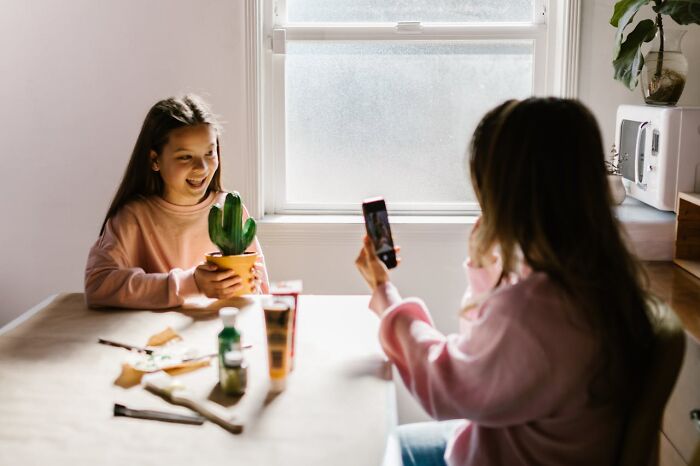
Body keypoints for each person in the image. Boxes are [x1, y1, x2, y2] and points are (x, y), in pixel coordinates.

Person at [355, 98, 654, 466]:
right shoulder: (591, 278)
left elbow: (447, 386)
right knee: (397, 443)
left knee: (375, 450)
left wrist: (384, 293)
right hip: (516, 443)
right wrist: (485, 269)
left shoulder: (535, 311)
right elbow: (488, 358)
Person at [85, 95, 269, 309]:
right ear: (155, 160)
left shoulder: (231, 209)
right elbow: (97, 286)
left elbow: (263, 294)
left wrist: (250, 285)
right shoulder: (132, 217)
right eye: (185, 157)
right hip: (154, 338)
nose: (202, 167)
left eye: (209, 153)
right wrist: (191, 284)